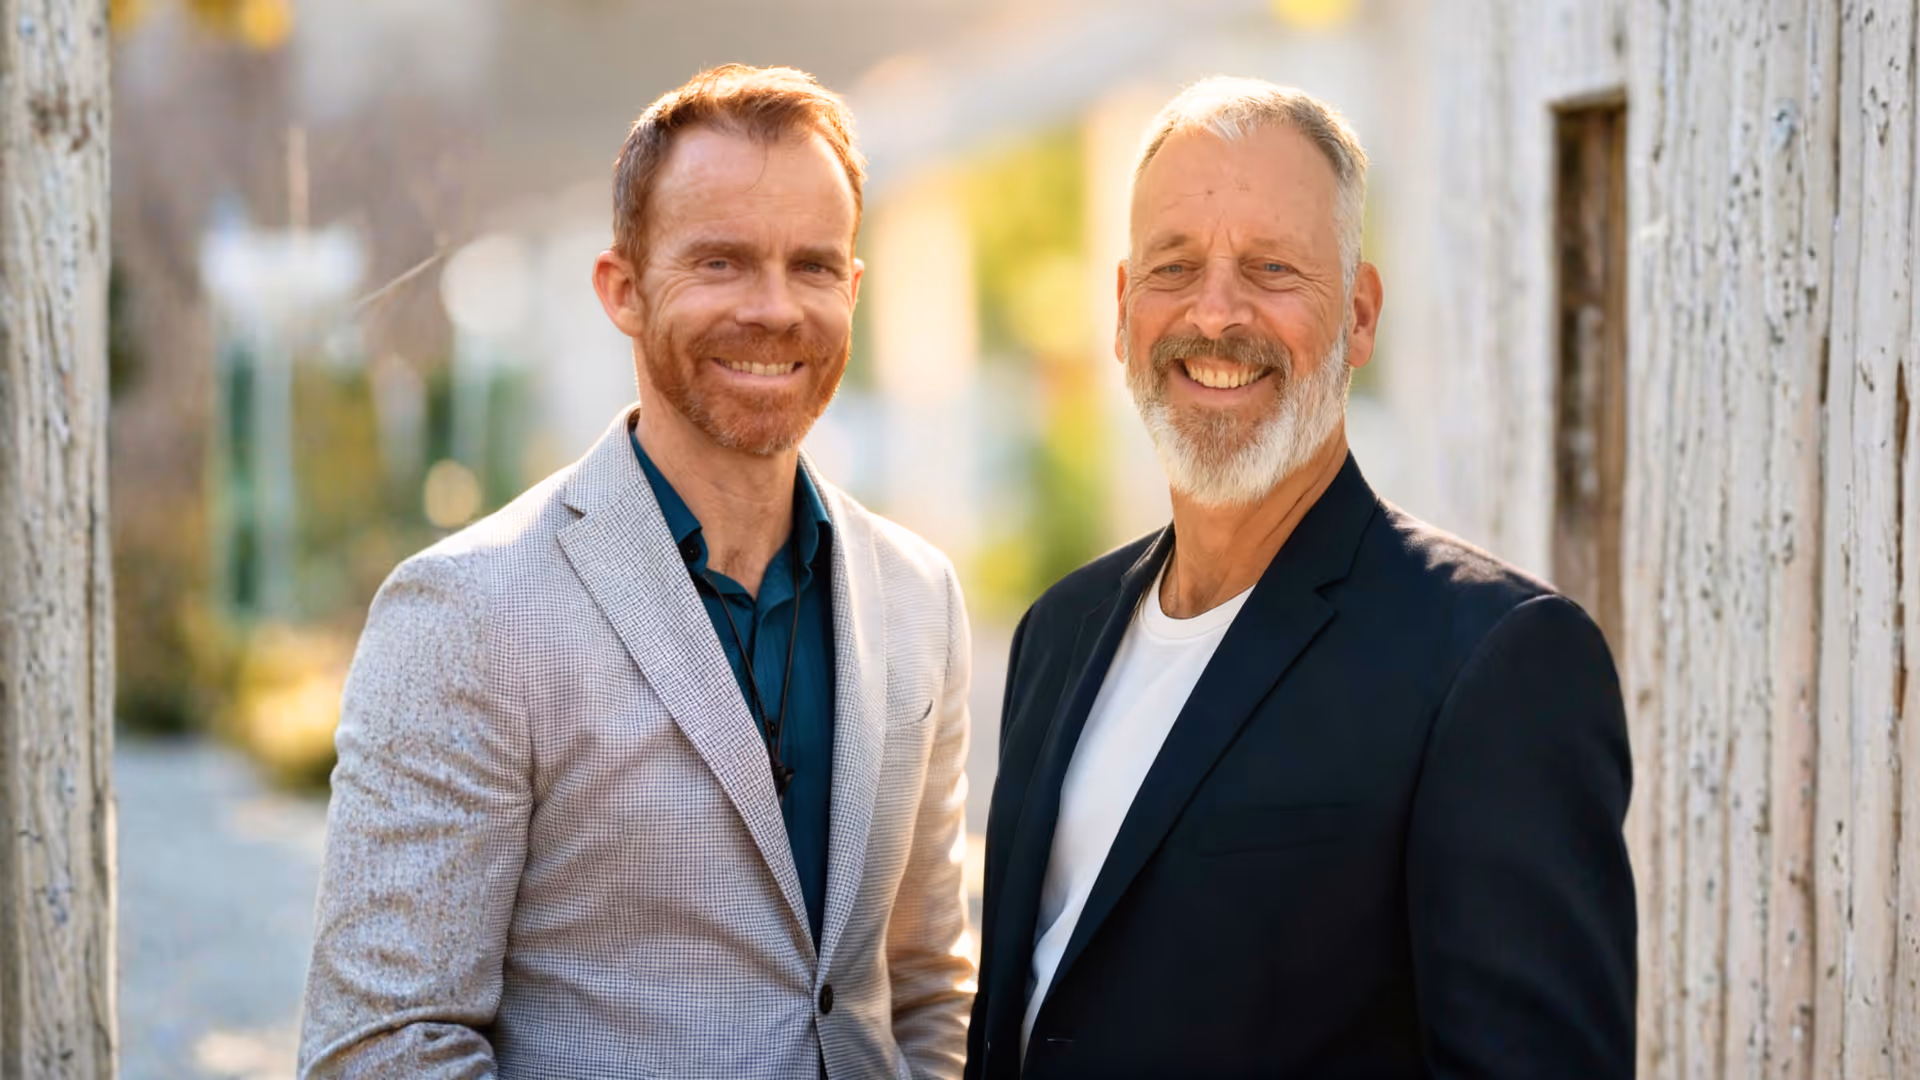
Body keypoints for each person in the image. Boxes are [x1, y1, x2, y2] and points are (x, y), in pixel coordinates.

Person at [299, 65, 974, 1079]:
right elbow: (381, 1050)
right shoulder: (466, 611)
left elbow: (926, 990)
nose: (775, 308)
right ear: (623, 289)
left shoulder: (922, 598)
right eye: (721, 262)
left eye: (813, 265)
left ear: (853, 288)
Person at [965, 77, 1635, 1079]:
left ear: (1359, 315)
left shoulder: (1497, 662)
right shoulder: (1059, 632)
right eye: (1175, 267)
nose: (1215, 313)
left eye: (1271, 267)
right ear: (1122, 308)